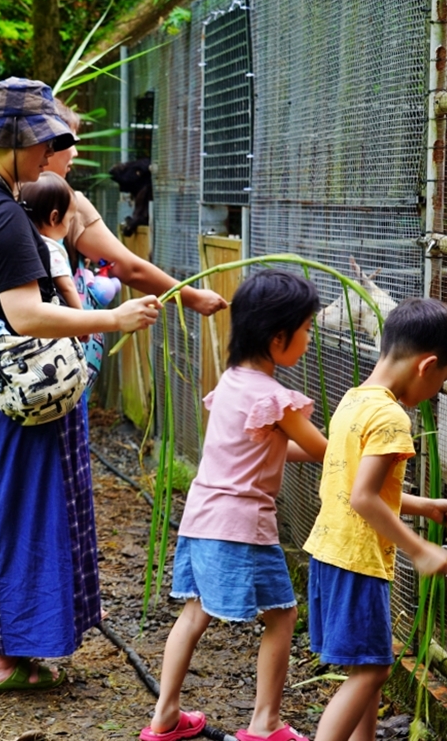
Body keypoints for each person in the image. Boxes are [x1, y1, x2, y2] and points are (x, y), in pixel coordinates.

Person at [0, 77, 161, 691]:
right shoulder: (0, 211)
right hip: (18, 387)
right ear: (19, 140)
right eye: (45, 140)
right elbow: (25, 314)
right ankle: (4, 660)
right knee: (29, 512)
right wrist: (111, 317)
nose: (49, 153)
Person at [142, 270, 328, 741]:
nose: (309, 339)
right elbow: (326, 450)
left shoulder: (232, 382)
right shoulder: (273, 398)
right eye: (306, 329)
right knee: (282, 616)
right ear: (277, 336)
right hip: (242, 523)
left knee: (195, 610)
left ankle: (165, 716)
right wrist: (365, 449)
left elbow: (275, 448)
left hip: (202, 517)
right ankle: (265, 724)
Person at [303, 298, 447, 741]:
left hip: (330, 551)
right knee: (371, 672)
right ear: (427, 365)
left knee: (368, 667)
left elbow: (355, 486)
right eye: (444, 380)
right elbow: (364, 498)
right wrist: (420, 550)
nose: (437, 391)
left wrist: (425, 505)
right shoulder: (393, 417)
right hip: (358, 560)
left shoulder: (354, 399)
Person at [45, 98, 226, 383]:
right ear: (45, 145)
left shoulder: (1, 198)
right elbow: (128, 267)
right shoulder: (69, 203)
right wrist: (192, 297)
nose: (76, 152)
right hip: (59, 368)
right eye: (70, 141)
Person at [19, 172, 82, 310]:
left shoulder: (22, 243)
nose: (70, 225)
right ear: (54, 218)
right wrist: (83, 318)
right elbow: (67, 287)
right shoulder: (50, 249)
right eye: (70, 220)